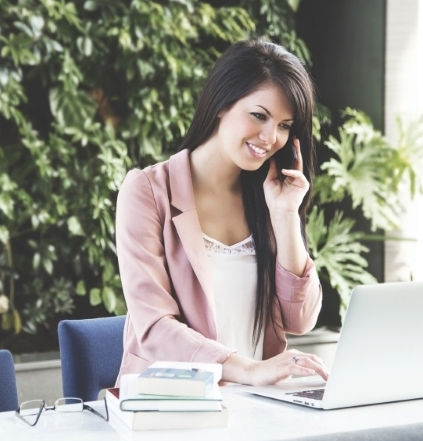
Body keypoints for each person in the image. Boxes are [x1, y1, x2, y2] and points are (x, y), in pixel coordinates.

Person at [115, 38, 329, 386]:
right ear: (221, 104)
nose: (270, 137)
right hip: (173, 405)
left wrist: (286, 217)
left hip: (259, 409)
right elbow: (153, 327)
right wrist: (248, 369)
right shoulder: (148, 191)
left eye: (285, 125)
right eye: (259, 115)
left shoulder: (269, 197)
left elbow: (300, 319)